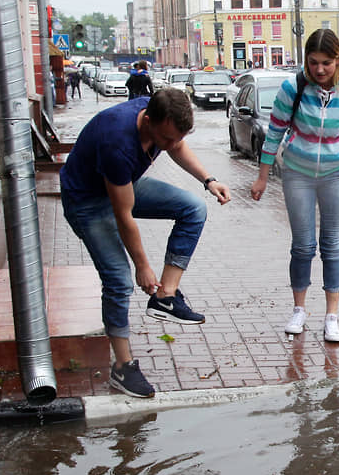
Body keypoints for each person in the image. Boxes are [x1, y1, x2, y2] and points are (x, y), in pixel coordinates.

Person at [59, 88, 232, 398]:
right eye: (164, 139)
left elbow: (177, 146)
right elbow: (124, 216)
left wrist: (208, 179)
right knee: (118, 279)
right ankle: (123, 368)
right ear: (148, 120)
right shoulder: (117, 143)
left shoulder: (158, 114)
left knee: (194, 208)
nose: (168, 146)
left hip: (122, 183)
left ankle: (166, 296)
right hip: (86, 200)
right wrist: (143, 267)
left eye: (173, 139)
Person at [250, 28, 339, 343]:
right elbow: (274, 132)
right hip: (298, 173)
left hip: (337, 173)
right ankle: (299, 310)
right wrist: (262, 176)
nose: (318, 70)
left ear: (338, 59)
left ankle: (332, 316)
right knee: (303, 246)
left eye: (326, 63)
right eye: (313, 62)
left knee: (332, 246)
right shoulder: (294, 87)